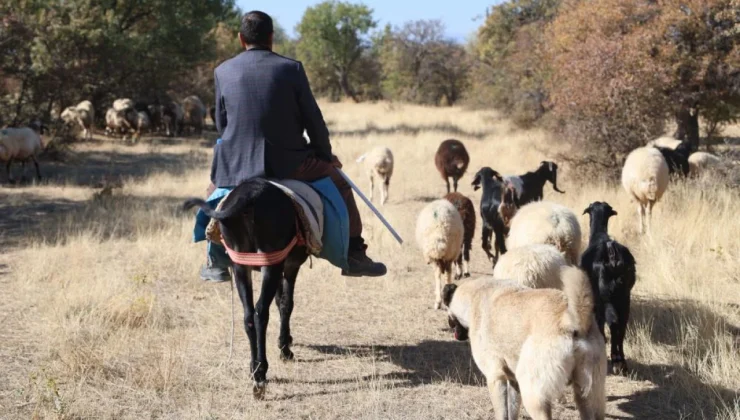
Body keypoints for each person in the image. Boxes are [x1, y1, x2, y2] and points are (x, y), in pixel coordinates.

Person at [199, 10, 387, 282]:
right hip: (290, 163)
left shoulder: (222, 71)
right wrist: (325, 155)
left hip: (236, 164)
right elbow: (314, 120)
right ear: (272, 38)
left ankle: (214, 260)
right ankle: (355, 254)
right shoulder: (291, 68)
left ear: (241, 39)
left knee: (213, 194)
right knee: (341, 186)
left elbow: (221, 122)